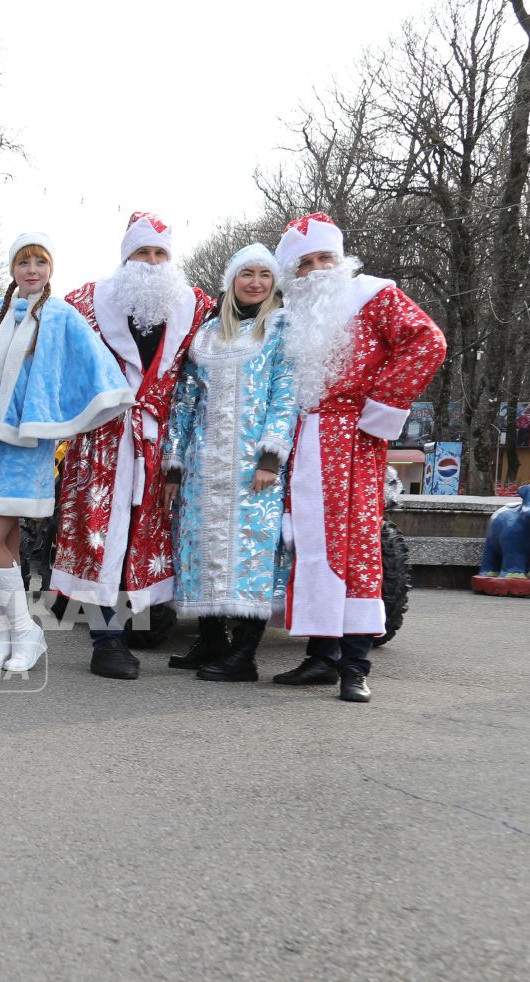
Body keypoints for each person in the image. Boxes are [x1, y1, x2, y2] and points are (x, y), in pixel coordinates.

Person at [269, 213, 446, 703]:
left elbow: (427, 341)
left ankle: (355, 665)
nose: (319, 268)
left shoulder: (373, 295)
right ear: (293, 273)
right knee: (309, 546)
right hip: (302, 439)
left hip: (352, 439)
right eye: (306, 263)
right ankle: (321, 657)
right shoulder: (289, 315)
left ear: (341, 259)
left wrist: (381, 407)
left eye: (326, 257)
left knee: (356, 546)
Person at [0, 233, 132, 671]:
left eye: (40, 263)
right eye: (24, 262)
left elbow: (94, 365)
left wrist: (73, 412)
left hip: (27, 446)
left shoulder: (62, 316)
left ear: (50, 269)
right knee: (4, 540)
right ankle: (9, 637)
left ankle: (25, 631)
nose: (32, 270)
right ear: (12, 268)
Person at [51, 213, 216, 679]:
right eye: (141, 253)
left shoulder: (197, 306)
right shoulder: (84, 302)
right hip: (100, 439)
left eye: (159, 253)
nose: (151, 261)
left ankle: (172, 628)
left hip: (163, 440)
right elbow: (57, 361)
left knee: (152, 536)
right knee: (100, 537)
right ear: (125, 258)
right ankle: (106, 641)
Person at [160, 244, 297, 681]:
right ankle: (212, 639)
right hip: (203, 467)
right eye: (246, 274)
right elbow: (184, 401)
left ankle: (244, 654)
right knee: (199, 548)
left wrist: (271, 458)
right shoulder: (205, 334)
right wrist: (175, 464)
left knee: (251, 551)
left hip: (252, 466)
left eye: (263, 274)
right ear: (231, 280)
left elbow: (285, 394)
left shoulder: (280, 327)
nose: (255, 282)